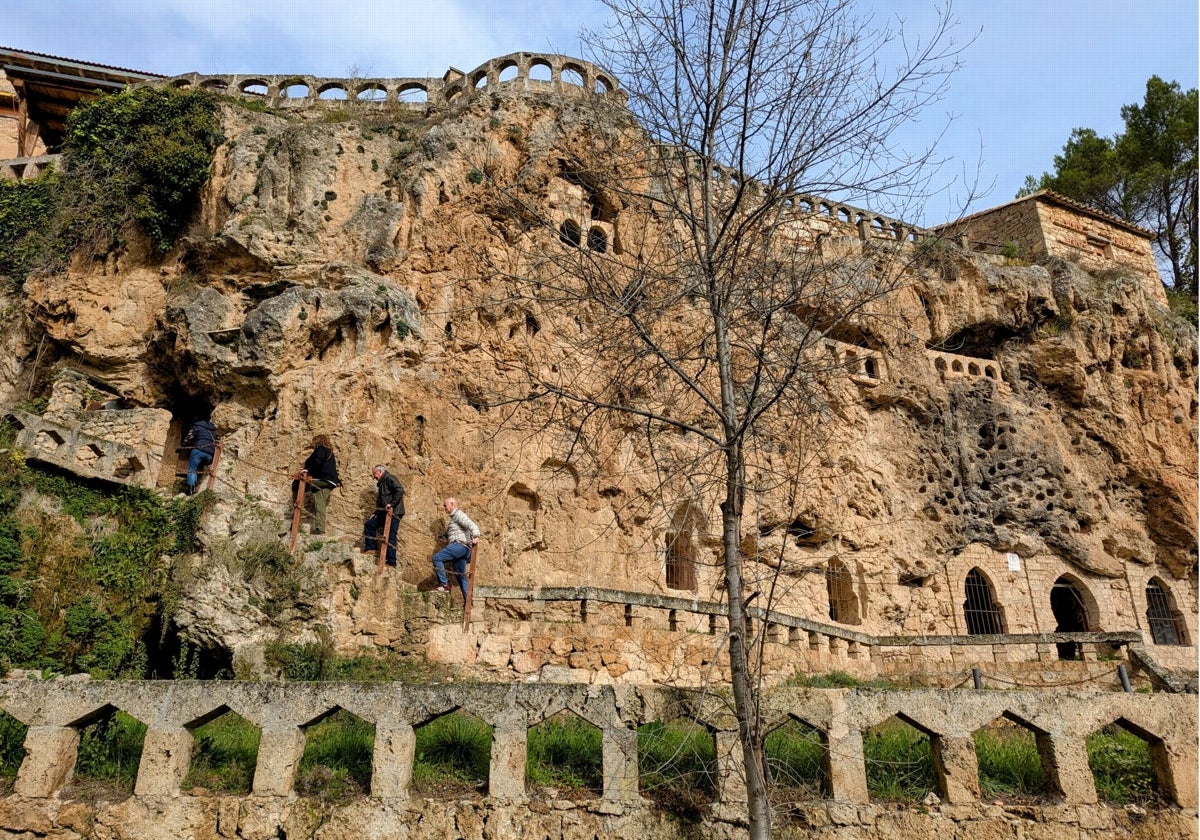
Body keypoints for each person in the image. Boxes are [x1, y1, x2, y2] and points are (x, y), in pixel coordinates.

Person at [292, 435, 340, 535]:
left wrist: (307, 470)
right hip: (330, 482)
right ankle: (320, 529)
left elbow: (318, 461)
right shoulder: (330, 451)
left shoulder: (320, 448)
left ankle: (295, 517)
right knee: (320, 502)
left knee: (297, 484)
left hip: (322, 479)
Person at [432, 497, 479, 597]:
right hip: (464, 549)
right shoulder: (454, 518)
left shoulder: (458, 514)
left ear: (452, 504)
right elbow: (457, 531)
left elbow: (471, 524)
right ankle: (469, 602)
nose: (444, 508)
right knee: (460, 575)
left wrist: (476, 536)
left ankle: (444, 585)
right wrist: (445, 536)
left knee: (437, 558)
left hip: (459, 546)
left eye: (445, 505)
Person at [363, 465, 404, 565]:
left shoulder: (390, 478)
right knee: (370, 524)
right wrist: (376, 513)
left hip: (394, 513)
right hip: (383, 513)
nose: (374, 477)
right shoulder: (382, 483)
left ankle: (391, 561)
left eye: (375, 474)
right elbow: (382, 501)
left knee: (390, 535)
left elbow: (400, 490)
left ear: (380, 472)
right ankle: (371, 548)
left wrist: (392, 504)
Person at [182, 419, 218, 495]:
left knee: (192, 469)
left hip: (199, 451)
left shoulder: (197, 427)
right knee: (199, 468)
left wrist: (183, 445)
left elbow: (188, 437)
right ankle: (199, 486)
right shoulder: (213, 431)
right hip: (210, 455)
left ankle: (190, 489)